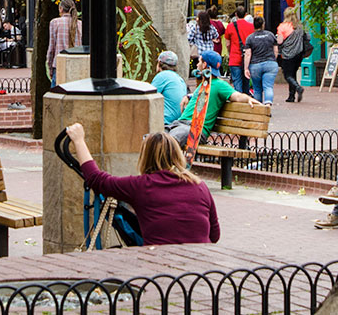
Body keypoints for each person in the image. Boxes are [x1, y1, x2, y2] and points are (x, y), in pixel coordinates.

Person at [65, 123, 220, 245]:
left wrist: (79, 141)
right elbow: (214, 235)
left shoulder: (142, 186)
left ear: (145, 157)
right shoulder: (200, 186)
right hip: (200, 267)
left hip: (160, 267)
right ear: (177, 154)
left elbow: (97, 180)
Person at [166, 51, 263, 148]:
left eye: (199, 61)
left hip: (195, 128)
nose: (197, 64)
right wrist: (188, 96)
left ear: (204, 65)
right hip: (180, 123)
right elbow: (204, 96)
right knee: (157, 138)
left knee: (167, 143)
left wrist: (248, 99)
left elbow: (237, 96)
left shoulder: (220, 85)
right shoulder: (205, 84)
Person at [243, 16, 279, 104]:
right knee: (268, 86)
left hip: (255, 66)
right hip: (270, 63)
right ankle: (268, 104)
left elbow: (248, 54)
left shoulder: (250, 38)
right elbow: (276, 50)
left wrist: (246, 68)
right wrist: (273, 60)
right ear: (263, 24)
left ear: (253, 25)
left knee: (257, 88)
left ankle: (259, 108)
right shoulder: (270, 35)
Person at [46, 0, 82, 87]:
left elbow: (51, 48)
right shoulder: (80, 24)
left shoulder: (55, 23)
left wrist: (50, 67)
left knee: (56, 94)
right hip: (76, 65)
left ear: (61, 9)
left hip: (59, 65)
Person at [150, 50, 188, 125]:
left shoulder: (162, 76)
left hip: (165, 122)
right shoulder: (180, 79)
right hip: (177, 122)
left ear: (159, 63)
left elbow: (149, 97)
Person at [276, 6, 305, 102]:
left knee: (287, 75)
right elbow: (306, 37)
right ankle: (291, 96)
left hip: (287, 54)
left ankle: (298, 88)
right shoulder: (299, 27)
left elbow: (279, 41)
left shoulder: (282, 26)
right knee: (293, 74)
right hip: (298, 54)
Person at [224, 6, 253, 93]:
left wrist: (230, 52)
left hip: (235, 58)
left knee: (237, 83)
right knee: (246, 83)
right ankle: (246, 102)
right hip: (247, 59)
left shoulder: (230, 27)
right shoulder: (251, 27)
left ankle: (239, 103)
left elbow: (228, 44)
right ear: (246, 15)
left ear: (236, 14)